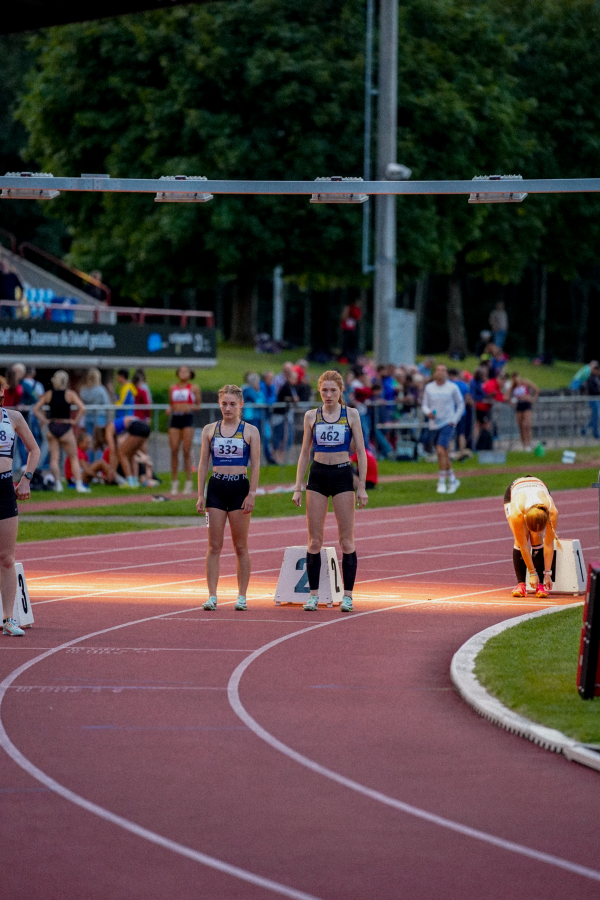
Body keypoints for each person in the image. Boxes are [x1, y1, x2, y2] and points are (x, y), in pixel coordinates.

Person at [292, 370, 368, 613]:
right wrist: (297, 487)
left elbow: (362, 453)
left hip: (343, 475)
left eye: (333, 390)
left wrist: (362, 487)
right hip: (318, 475)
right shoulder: (311, 416)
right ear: (319, 391)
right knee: (315, 540)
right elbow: (305, 453)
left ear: (340, 392)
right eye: (324, 390)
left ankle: (347, 596)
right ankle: (313, 595)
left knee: (346, 539)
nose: (328, 395)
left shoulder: (351, 415)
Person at [196, 385, 260, 612]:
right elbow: (204, 463)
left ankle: (242, 596)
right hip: (216, 488)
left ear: (241, 404)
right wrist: (200, 494)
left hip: (239, 489)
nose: (228, 408)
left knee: (240, 546)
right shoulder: (209, 430)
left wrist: (252, 493)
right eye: (224, 404)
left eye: (233, 404)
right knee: (213, 546)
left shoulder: (250, 431)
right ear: (219, 404)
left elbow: (256, 465)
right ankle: (212, 596)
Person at [0, 377, 40, 635]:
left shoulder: (13, 417)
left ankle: (7, 619)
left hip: (4, 488)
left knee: (5, 557)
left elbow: (34, 450)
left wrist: (26, 479)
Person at [32, 370, 90, 493]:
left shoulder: (49, 394)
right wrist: (75, 421)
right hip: (65, 427)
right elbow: (82, 408)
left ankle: (58, 484)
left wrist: (45, 420)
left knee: (54, 458)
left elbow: (36, 409)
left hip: (52, 427)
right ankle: (79, 485)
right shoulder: (70, 394)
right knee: (73, 457)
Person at [504, 476, 559, 599]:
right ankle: (521, 584)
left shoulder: (552, 512)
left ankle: (540, 585)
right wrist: (532, 573)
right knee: (520, 538)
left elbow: (549, 544)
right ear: (524, 519)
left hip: (538, 487)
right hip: (515, 491)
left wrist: (548, 574)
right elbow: (523, 544)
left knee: (537, 538)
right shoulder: (517, 513)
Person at [421, 364, 465, 494]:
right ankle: (452, 478)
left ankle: (441, 481)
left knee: (440, 450)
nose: (440, 372)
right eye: (438, 370)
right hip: (435, 423)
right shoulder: (429, 388)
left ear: (446, 373)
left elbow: (460, 404)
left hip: (448, 422)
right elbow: (425, 404)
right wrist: (428, 412)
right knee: (443, 452)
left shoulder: (452, 388)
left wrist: (454, 419)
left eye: (443, 370)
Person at [166, 365, 201, 495]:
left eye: (185, 371)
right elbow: (171, 404)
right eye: (180, 370)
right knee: (174, 449)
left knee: (186, 450)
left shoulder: (194, 388)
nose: (183, 373)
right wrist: (170, 409)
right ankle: (174, 482)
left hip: (187, 419)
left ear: (190, 373)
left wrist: (189, 407)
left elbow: (198, 405)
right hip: (175, 419)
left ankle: (188, 481)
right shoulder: (172, 388)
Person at [104, 416, 151, 488]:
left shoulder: (109, 429)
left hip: (136, 428)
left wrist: (111, 471)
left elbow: (112, 450)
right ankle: (135, 480)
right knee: (132, 454)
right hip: (145, 428)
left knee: (122, 454)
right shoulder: (120, 425)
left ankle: (130, 481)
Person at [510, 373, 539, 451]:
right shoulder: (513, 386)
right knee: (521, 426)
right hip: (519, 406)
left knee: (526, 424)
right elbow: (508, 396)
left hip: (526, 405)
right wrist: (512, 402)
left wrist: (533, 399)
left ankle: (529, 442)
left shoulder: (525, 382)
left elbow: (536, 389)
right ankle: (525, 445)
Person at [79, 367, 111, 435]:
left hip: (88, 416)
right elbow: (107, 403)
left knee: (89, 437)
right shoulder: (101, 389)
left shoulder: (83, 390)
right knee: (99, 437)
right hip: (99, 416)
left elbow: (81, 402)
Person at [583, 362, 600, 440]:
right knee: (596, 417)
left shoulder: (597, 378)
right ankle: (596, 434)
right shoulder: (591, 378)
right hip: (593, 399)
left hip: (597, 399)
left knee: (596, 417)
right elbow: (592, 390)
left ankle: (584, 429)